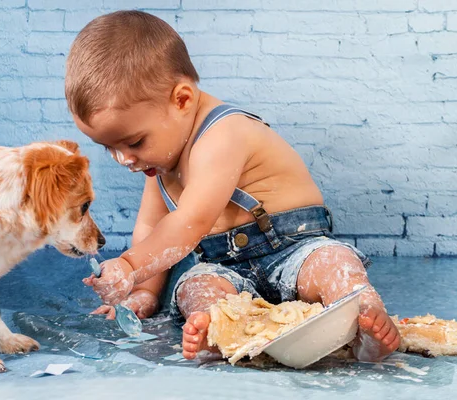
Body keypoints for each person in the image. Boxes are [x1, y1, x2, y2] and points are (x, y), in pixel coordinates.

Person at [65, 10, 400, 362]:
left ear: (182, 100)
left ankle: (363, 315)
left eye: (133, 142)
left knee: (333, 261)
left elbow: (189, 223)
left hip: (293, 250)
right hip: (227, 269)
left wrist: (130, 267)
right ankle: (218, 329)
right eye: (110, 148)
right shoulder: (159, 164)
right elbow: (151, 230)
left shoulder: (223, 134)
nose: (125, 159)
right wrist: (145, 292)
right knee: (195, 285)